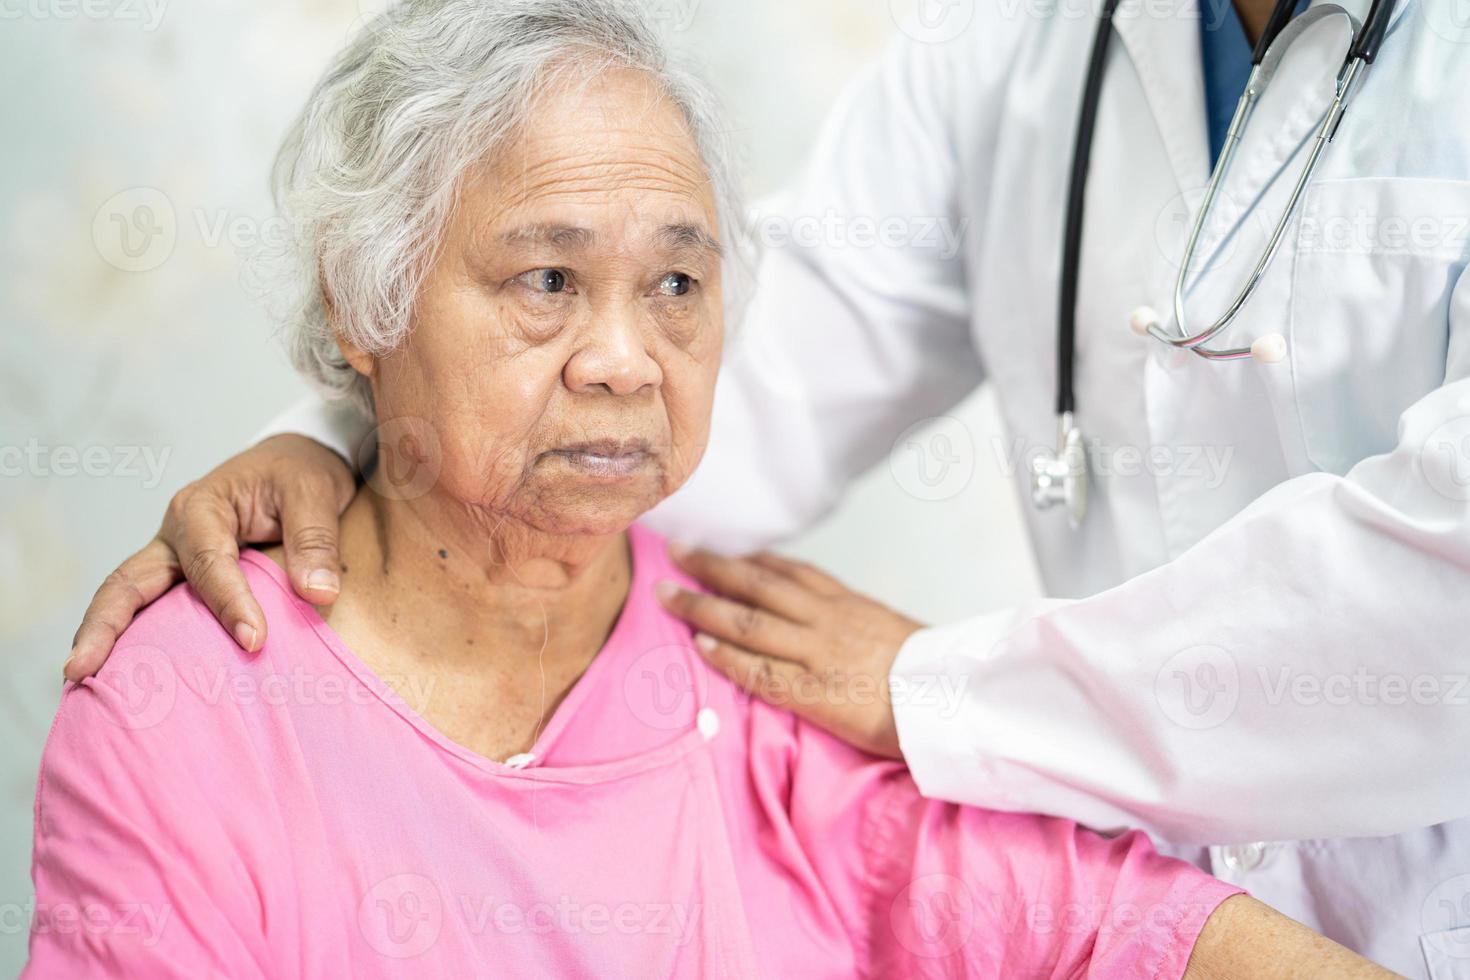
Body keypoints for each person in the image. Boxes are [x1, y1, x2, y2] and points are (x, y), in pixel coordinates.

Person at [63, 0, 1470, 975]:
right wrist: (339, 430)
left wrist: (943, 693)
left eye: (676, 283)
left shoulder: (779, 722)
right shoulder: (190, 706)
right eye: (548, 281)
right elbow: (751, 370)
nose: (624, 353)